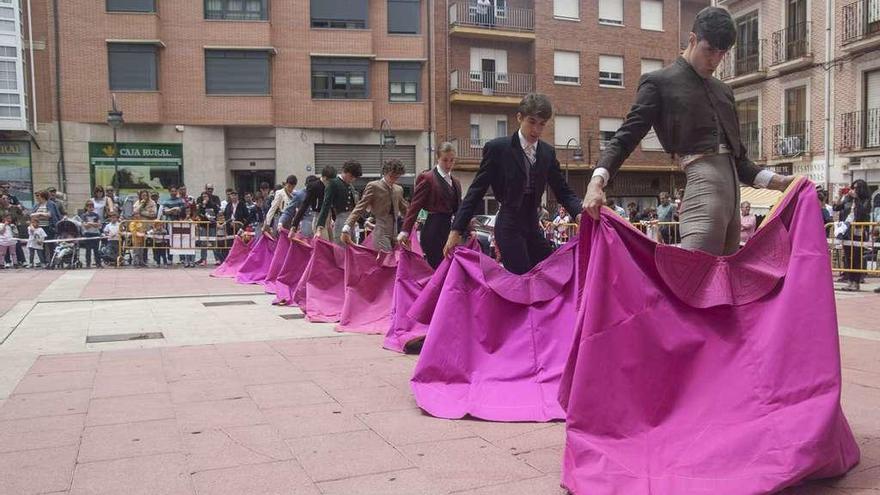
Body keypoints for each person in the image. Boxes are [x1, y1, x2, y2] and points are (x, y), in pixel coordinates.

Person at [582, 6, 794, 256]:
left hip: (733, 202)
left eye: (722, 53)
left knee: (726, 288)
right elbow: (626, 137)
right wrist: (596, 182)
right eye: (709, 50)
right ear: (692, 39)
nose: (715, 60)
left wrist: (778, 182)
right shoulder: (658, 82)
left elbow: (740, 162)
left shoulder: (724, 90)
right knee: (695, 284)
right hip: (702, 193)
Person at [443, 93, 582, 275]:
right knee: (522, 279)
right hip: (508, 226)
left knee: (555, 272)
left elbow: (563, 191)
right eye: (532, 122)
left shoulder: (547, 153)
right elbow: (476, 191)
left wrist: (579, 214)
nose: (537, 130)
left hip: (533, 226)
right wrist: (456, 230)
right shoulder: (498, 149)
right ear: (519, 118)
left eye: (542, 124)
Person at [399, 143, 462, 268]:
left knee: (450, 269)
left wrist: (469, 228)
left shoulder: (456, 182)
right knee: (437, 268)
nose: (448, 165)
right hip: (433, 229)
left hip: (450, 231)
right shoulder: (427, 178)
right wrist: (405, 231)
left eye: (452, 160)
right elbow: (415, 206)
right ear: (437, 158)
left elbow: (459, 209)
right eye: (445, 160)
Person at [342, 159, 408, 251]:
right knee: (386, 259)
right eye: (391, 176)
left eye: (397, 177)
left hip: (395, 231)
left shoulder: (398, 189)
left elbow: (404, 208)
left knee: (394, 260)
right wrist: (347, 226)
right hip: (380, 230)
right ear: (385, 172)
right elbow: (360, 207)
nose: (394, 179)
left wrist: (412, 222)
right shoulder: (373, 186)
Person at [316, 160, 363, 244]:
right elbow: (325, 205)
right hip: (340, 220)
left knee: (352, 251)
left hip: (351, 222)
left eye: (354, 178)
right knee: (341, 251)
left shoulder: (350, 186)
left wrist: (364, 221)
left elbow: (355, 208)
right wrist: (320, 227)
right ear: (345, 171)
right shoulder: (333, 183)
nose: (353, 179)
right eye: (351, 176)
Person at [840, 179, 872, 292]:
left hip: (858, 231)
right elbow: (838, 208)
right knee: (848, 257)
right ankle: (849, 281)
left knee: (856, 258)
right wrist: (842, 197)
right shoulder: (849, 199)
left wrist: (857, 198)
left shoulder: (866, 200)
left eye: (857, 188)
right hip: (847, 230)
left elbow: (863, 212)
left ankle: (856, 282)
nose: (854, 190)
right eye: (853, 187)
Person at [292, 166, 336, 238]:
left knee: (332, 245)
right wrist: (294, 225)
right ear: (324, 177)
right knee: (324, 245)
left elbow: (332, 204)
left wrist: (335, 219)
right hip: (318, 217)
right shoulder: (314, 186)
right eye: (330, 180)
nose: (331, 183)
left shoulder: (332, 186)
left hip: (329, 220)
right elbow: (304, 205)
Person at [196, 191, 221, 266]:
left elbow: (217, 213)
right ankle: (203, 259)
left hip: (212, 225)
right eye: (203, 197)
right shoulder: (201, 205)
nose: (205, 198)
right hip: (203, 225)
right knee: (203, 242)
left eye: (206, 196)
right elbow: (200, 214)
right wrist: (203, 205)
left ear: (209, 197)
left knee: (213, 242)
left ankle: (217, 259)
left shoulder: (213, 205)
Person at [79, 201, 103, 268]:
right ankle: (88, 264)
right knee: (88, 250)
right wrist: (92, 224)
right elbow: (85, 226)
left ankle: (98, 263)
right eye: (89, 207)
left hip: (96, 234)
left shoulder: (96, 215)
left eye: (92, 207)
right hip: (88, 234)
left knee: (96, 250)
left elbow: (98, 225)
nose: (91, 208)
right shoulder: (84, 215)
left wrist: (90, 223)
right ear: (86, 207)